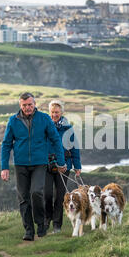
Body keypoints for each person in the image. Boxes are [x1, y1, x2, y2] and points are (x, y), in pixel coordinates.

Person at [0, 92, 67, 241]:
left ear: (34, 104)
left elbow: (56, 140)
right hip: (20, 164)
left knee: (36, 192)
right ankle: (29, 230)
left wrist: (61, 162)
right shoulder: (13, 121)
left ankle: (41, 224)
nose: (27, 107)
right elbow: (6, 145)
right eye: (24, 105)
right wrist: (4, 167)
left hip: (39, 163)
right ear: (20, 105)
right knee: (23, 197)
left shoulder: (44, 119)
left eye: (30, 104)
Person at [44, 99, 82, 234]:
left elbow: (75, 148)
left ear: (62, 113)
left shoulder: (68, 129)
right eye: (53, 112)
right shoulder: (44, 126)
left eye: (57, 112)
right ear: (49, 112)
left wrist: (77, 166)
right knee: (47, 194)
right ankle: (46, 220)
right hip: (47, 165)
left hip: (64, 166)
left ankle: (57, 225)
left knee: (60, 196)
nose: (55, 115)